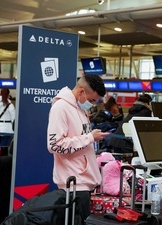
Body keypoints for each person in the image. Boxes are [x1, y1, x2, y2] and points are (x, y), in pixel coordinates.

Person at [47, 75, 110, 220]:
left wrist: (91, 137)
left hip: (83, 184)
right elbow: (54, 145)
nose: (92, 105)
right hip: (73, 185)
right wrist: (89, 137)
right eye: (92, 100)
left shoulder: (80, 109)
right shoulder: (61, 107)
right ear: (81, 91)